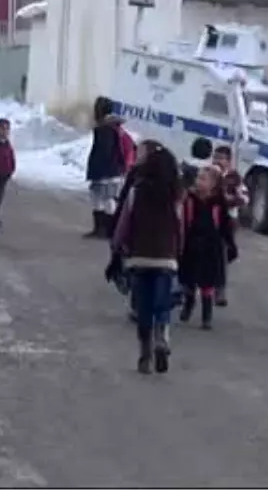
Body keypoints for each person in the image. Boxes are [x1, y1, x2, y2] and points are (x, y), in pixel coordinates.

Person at [112, 144, 183, 374]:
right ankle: (161, 337)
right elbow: (180, 228)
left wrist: (117, 248)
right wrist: (178, 253)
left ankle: (144, 354)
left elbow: (124, 224)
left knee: (143, 308)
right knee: (162, 304)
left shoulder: (136, 192)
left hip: (139, 258)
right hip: (166, 258)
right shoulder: (175, 195)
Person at [177, 165, 237, 330]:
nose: (199, 182)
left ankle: (206, 315)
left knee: (207, 282)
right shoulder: (189, 198)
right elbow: (182, 222)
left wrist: (230, 244)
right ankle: (188, 304)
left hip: (211, 247)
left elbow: (226, 226)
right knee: (189, 280)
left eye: (203, 179)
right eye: (198, 178)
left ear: (214, 184)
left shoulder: (218, 202)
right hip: (191, 244)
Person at [85, 97, 136, 239]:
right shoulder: (114, 126)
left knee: (104, 199)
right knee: (104, 199)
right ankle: (105, 230)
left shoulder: (105, 128)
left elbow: (104, 151)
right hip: (114, 170)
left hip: (106, 171)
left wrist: (96, 169)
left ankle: (104, 230)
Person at [211, 145, 249, 307]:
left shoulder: (234, 178)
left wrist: (228, 201)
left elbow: (245, 198)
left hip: (228, 221)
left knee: (223, 255)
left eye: (221, 158)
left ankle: (220, 291)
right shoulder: (208, 173)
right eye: (215, 157)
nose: (217, 161)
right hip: (208, 219)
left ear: (229, 161)